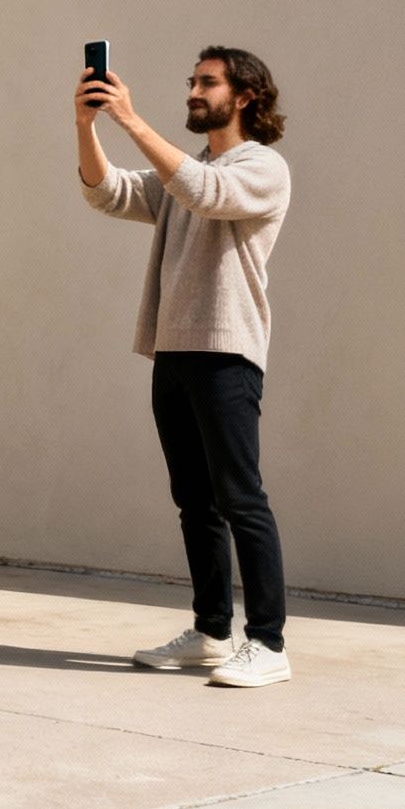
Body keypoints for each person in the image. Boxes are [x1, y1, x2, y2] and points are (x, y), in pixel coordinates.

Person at [76, 46, 293, 688]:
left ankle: (270, 644)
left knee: (240, 496)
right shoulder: (185, 168)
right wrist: (87, 124)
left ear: (246, 95)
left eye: (208, 83)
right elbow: (107, 193)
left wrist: (131, 121)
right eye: (192, 82)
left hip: (227, 350)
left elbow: (207, 193)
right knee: (193, 502)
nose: (194, 91)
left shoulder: (263, 167)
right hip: (173, 349)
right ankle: (210, 632)